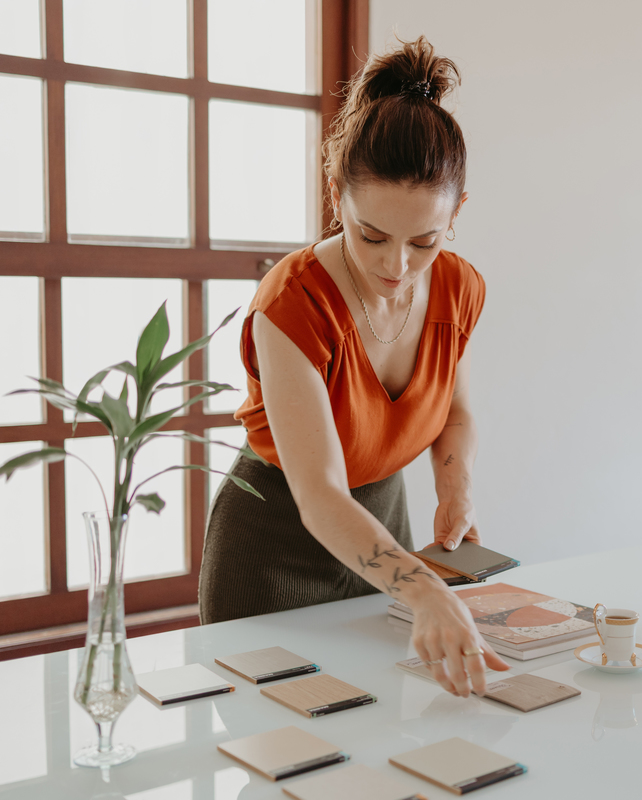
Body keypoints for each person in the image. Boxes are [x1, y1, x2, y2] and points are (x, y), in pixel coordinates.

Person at [198, 36, 507, 698]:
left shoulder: (459, 288)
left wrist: (455, 489)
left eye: (424, 241)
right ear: (337, 195)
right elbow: (320, 494)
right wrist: (424, 588)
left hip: (382, 533)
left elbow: (454, 412)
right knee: (278, 755)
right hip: (273, 539)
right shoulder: (292, 302)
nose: (397, 267)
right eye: (372, 236)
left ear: (457, 214)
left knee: (379, 745)